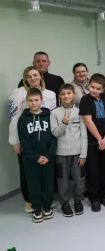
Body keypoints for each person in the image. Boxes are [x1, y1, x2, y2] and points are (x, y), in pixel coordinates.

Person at [9, 66, 56, 213]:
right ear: (25, 79)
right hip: (27, 138)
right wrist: (14, 141)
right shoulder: (18, 93)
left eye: (35, 75)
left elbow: (53, 118)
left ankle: (46, 200)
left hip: (45, 139)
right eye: (29, 76)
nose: (33, 78)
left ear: (41, 76)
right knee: (27, 172)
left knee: (47, 174)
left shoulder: (50, 94)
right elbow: (14, 118)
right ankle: (30, 200)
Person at [18, 88, 57, 223]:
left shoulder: (49, 116)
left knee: (48, 183)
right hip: (31, 159)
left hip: (48, 158)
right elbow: (24, 142)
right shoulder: (23, 119)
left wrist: (49, 155)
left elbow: (54, 137)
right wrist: (35, 157)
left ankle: (47, 206)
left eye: (36, 100)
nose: (33, 103)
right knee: (34, 184)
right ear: (26, 101)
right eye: (30, 100)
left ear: (42, 100)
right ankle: (37, 208)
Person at [79, 73, 105, 212]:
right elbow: (88, 121)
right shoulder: (85, 100)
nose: (94, 90)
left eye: (98, 88)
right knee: (93, 170)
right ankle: (94, 198)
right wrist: (99, 139)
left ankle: (104, 195)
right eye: (92, 87)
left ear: (103, 89)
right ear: (89, 85)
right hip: (92, 141)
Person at [50, 84, 87, 217]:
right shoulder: (54, 113)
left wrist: (83, 154)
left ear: (74, 95)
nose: (66, 96)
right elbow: (55, 133)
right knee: (62, 180)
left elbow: (84, 134)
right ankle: (64, 202)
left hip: (77, 152)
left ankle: (78, 200)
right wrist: (64, 123)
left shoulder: (79, 111)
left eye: (69, 93)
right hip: (61, 153)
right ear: (59, 96)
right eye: (63, 94)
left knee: (79, 178)